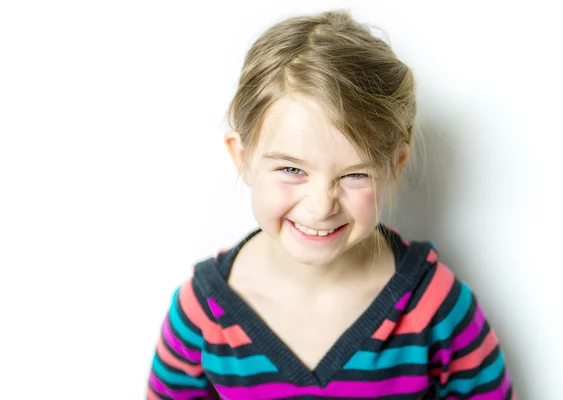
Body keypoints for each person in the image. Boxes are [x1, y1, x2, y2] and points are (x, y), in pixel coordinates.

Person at [147, 9, 515, 400]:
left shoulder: (437, 306)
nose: (322, 206)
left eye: (354, 175)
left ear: (395, 166)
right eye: (291, 169)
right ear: (242, 156)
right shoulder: (201, 313)